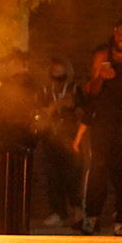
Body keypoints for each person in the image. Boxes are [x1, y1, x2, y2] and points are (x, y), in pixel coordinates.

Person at [76, 19, 122, 235]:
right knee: (98, 168)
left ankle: (121, 219)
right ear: (113, 34)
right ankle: (92, 217)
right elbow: (91, 90)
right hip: (102, 121)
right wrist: (101, 77)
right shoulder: (103, 56)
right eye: (119, 33)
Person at [34, 58, 83, 227]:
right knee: (52, 177)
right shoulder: (45, 91)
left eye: (62, 74)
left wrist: (73, 107)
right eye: (56, 73)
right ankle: (58, 212)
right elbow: (39, 115)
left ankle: (78, 209)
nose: (59, 78)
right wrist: (57, 105)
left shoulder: (75, 89)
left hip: (70, 137)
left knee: (73, 176)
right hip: (50, 138)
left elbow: (84, 112)